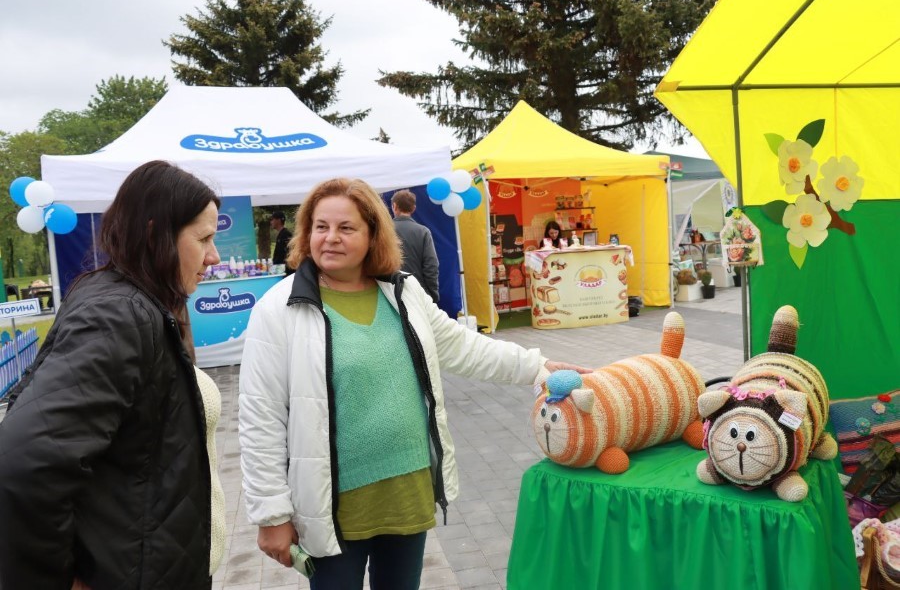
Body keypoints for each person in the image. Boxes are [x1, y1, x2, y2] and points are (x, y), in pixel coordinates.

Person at [238, 178, 591, 590]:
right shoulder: (278, 309)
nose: (330, 238)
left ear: (373, 234)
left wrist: (538, 366)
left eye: (346, 228)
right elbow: (260, 419)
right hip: (331, 505)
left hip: (407, 489)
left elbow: (464, 346)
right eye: (321, 227)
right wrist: (272, 514)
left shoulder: (402, 291)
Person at [0, 160, 226, 589]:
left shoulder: (140, 303)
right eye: (203, 239)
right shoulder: (119, 315)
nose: (214, 256)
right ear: (155, 234)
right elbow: (26, 465)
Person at [390, 189, 440, 303]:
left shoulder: (384, 231)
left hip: (391, 292)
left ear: (394, 206)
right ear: (413, 208)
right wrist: (432, 294)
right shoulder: (423, 232)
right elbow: (431, 266)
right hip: (418, 293)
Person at [271, 209, 295, 275]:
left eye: (272, 219)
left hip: (286, 271)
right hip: (280, 269)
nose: (271, 222)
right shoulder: (281, 234)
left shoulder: (286, 234)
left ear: (278, 220)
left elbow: (288, 253)